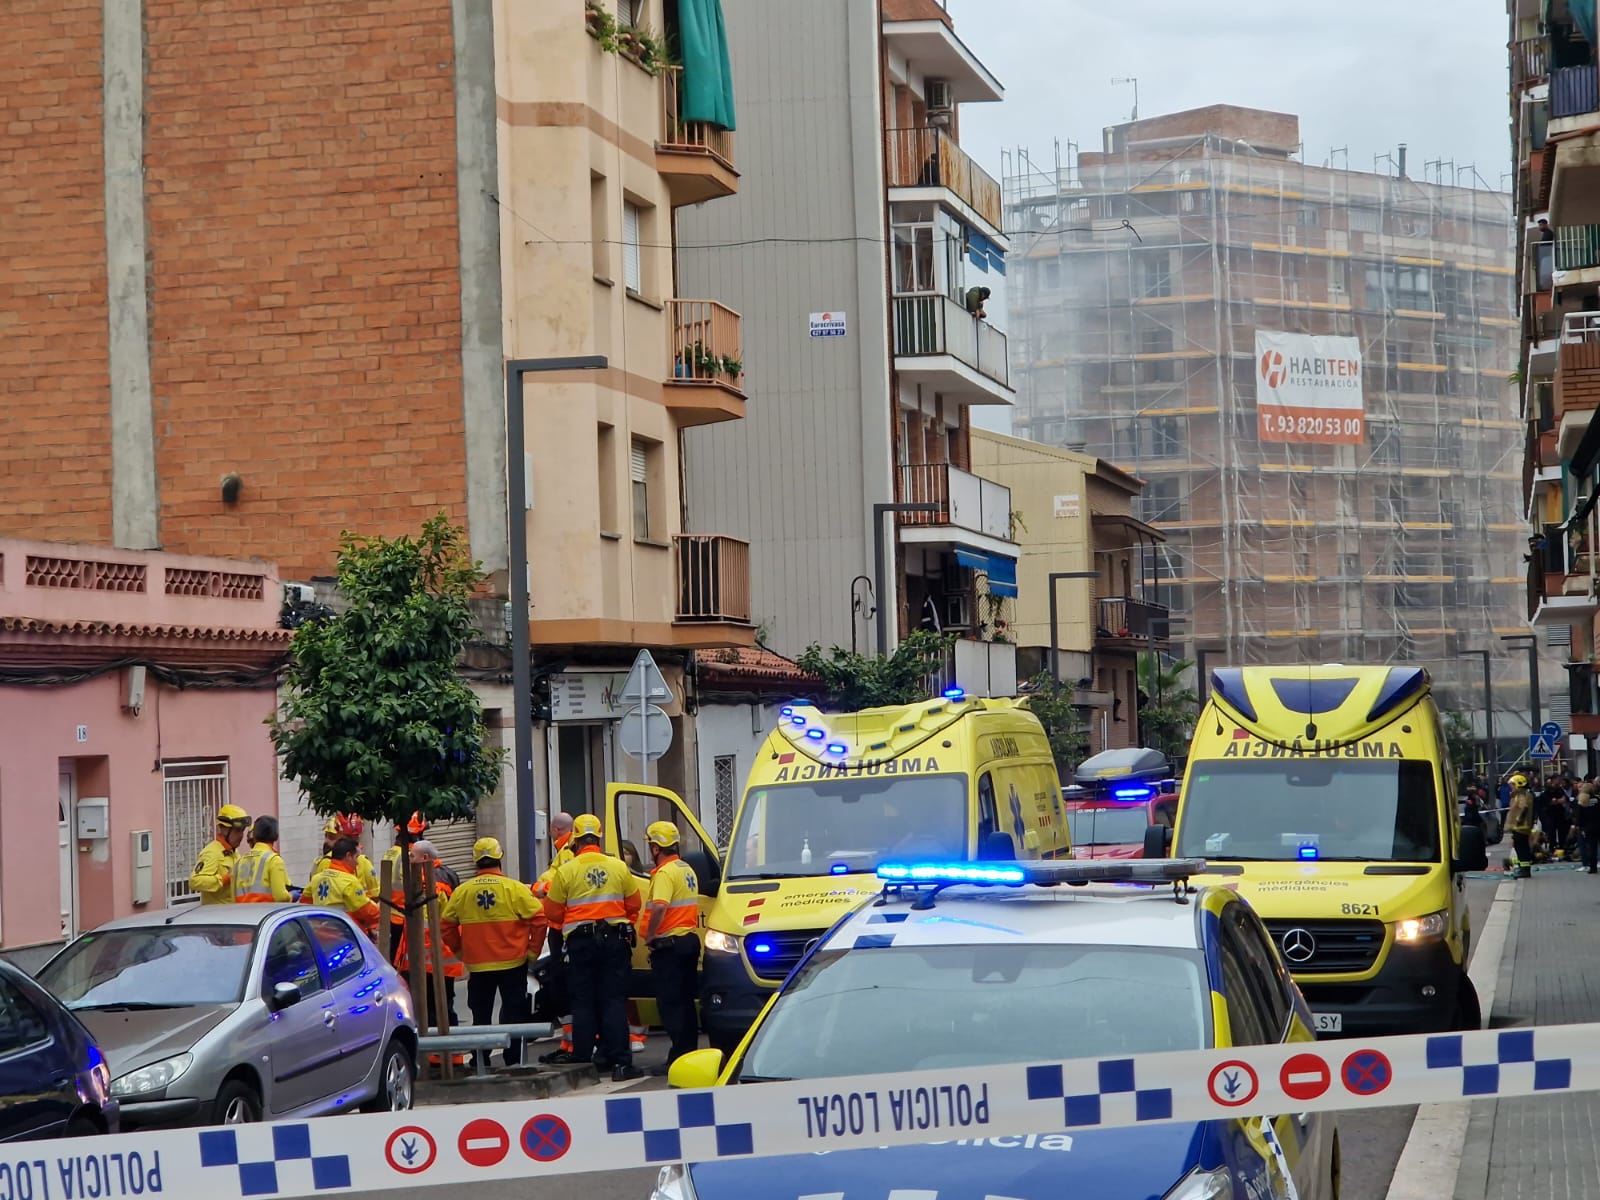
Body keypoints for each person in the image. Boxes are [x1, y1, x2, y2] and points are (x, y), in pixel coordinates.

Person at [540, 814, 643, 1081]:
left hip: (580, 943)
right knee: (612, 1001)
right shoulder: (618, 866)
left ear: (575, 838)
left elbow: (550, 910)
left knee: (583, 1001)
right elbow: (634, 904)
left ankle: (583, 1063)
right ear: (598, 836)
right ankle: (621, 1063)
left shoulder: (567, 869)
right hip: (613, 940)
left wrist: (571, 924)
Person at [441, 837, 546, 1068]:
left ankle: (481, 1059)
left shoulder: (462, 892)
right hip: (512, 962)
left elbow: (446, 925)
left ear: (475, 861)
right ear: (500, 858)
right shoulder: (514, 888)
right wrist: (533, 951)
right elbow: (539, 919)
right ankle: (513, 1059)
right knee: (513, 1013)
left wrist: (460, 951)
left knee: (480, 1014)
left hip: (478, 965)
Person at [639, 821, 701, 1074]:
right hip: (687, 941)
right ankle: (688, 1054)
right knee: (685, 1003)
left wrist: (651, 934)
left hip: (670, 945)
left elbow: (661, 906)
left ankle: (678, 1059)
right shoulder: (686, 868)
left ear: (655, 848)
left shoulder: (665, 873)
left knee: (672, 1004)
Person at [394, 839, 465, 1031]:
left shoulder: (428, 882)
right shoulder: (448, 874)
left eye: (412, 856)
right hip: (439, 955)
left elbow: (426, 919)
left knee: (432, 1008)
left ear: (425, 858)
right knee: (443, 1005)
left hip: (429, 956)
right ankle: (451, 1055)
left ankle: (440, 1055)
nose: (409, 860)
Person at [301, 836, 383, 937]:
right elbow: (368, 913)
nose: (357, 863)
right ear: (348, 856)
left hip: (319, 935)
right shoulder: (349, 881)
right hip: (344, 935)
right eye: (356, 857)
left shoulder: (317, 878)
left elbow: (304, 904)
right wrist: (380, 911)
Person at [190, 805, 250, 904]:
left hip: (234, 913)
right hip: (217, 916)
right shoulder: (211, 852)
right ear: (224, 829)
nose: (241, 835)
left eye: (243, 831)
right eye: (237, 830)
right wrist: (224, 879)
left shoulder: (234, 852)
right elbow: (194, 881)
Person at [309, 815, 380, 897]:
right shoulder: (323, 861)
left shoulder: (363, 861)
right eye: (326, 836)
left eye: (332, 838)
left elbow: (376, 892)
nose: (326, 841)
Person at [233, 815, 293, 903]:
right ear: (275, 835)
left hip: (242, 914)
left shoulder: (239, 862)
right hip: (266, 913)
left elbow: (232, 897)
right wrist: (292, 896)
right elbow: (281, 897)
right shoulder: (274, 860)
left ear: (254, 835)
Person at [1507, 774, 1535, 879]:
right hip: (1519, 828)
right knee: (1520, 849)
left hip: (1521, 828)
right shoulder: (1521, 795)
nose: (1511, 787)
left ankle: (1524, 871)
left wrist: (1517, 821)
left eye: (1513, 785)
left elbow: (1522, 810)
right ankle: (1522, 868)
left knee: (1522, 849)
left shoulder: (1523, 795)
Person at [1578, 782, 1600, 875]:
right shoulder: (1598, 799)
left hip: (1589, 827)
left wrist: (1582, 828)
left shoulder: (1582, 802)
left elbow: (1580, 817)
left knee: (1592, 848)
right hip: (1599, 825)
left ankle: (1593, 868)